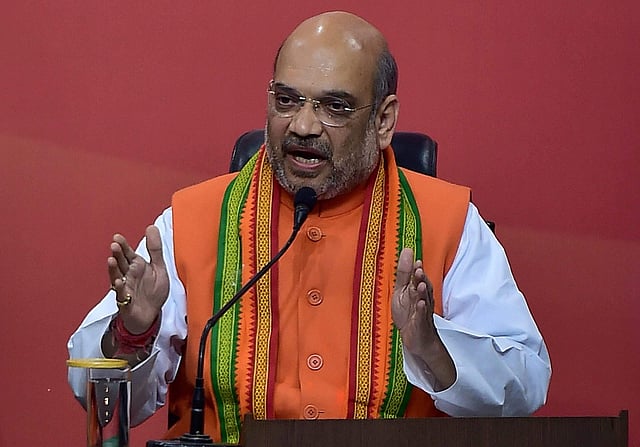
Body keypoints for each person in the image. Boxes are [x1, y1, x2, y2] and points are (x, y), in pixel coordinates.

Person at [68, 11, 551, 444]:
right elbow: (98, 401)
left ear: (384, 121)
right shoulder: (192, 221)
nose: (302, 125)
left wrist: (433, 347)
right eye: (287, 100)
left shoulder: (449, 223)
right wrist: (133, 333)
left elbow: (525, 384)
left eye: (334, 106)